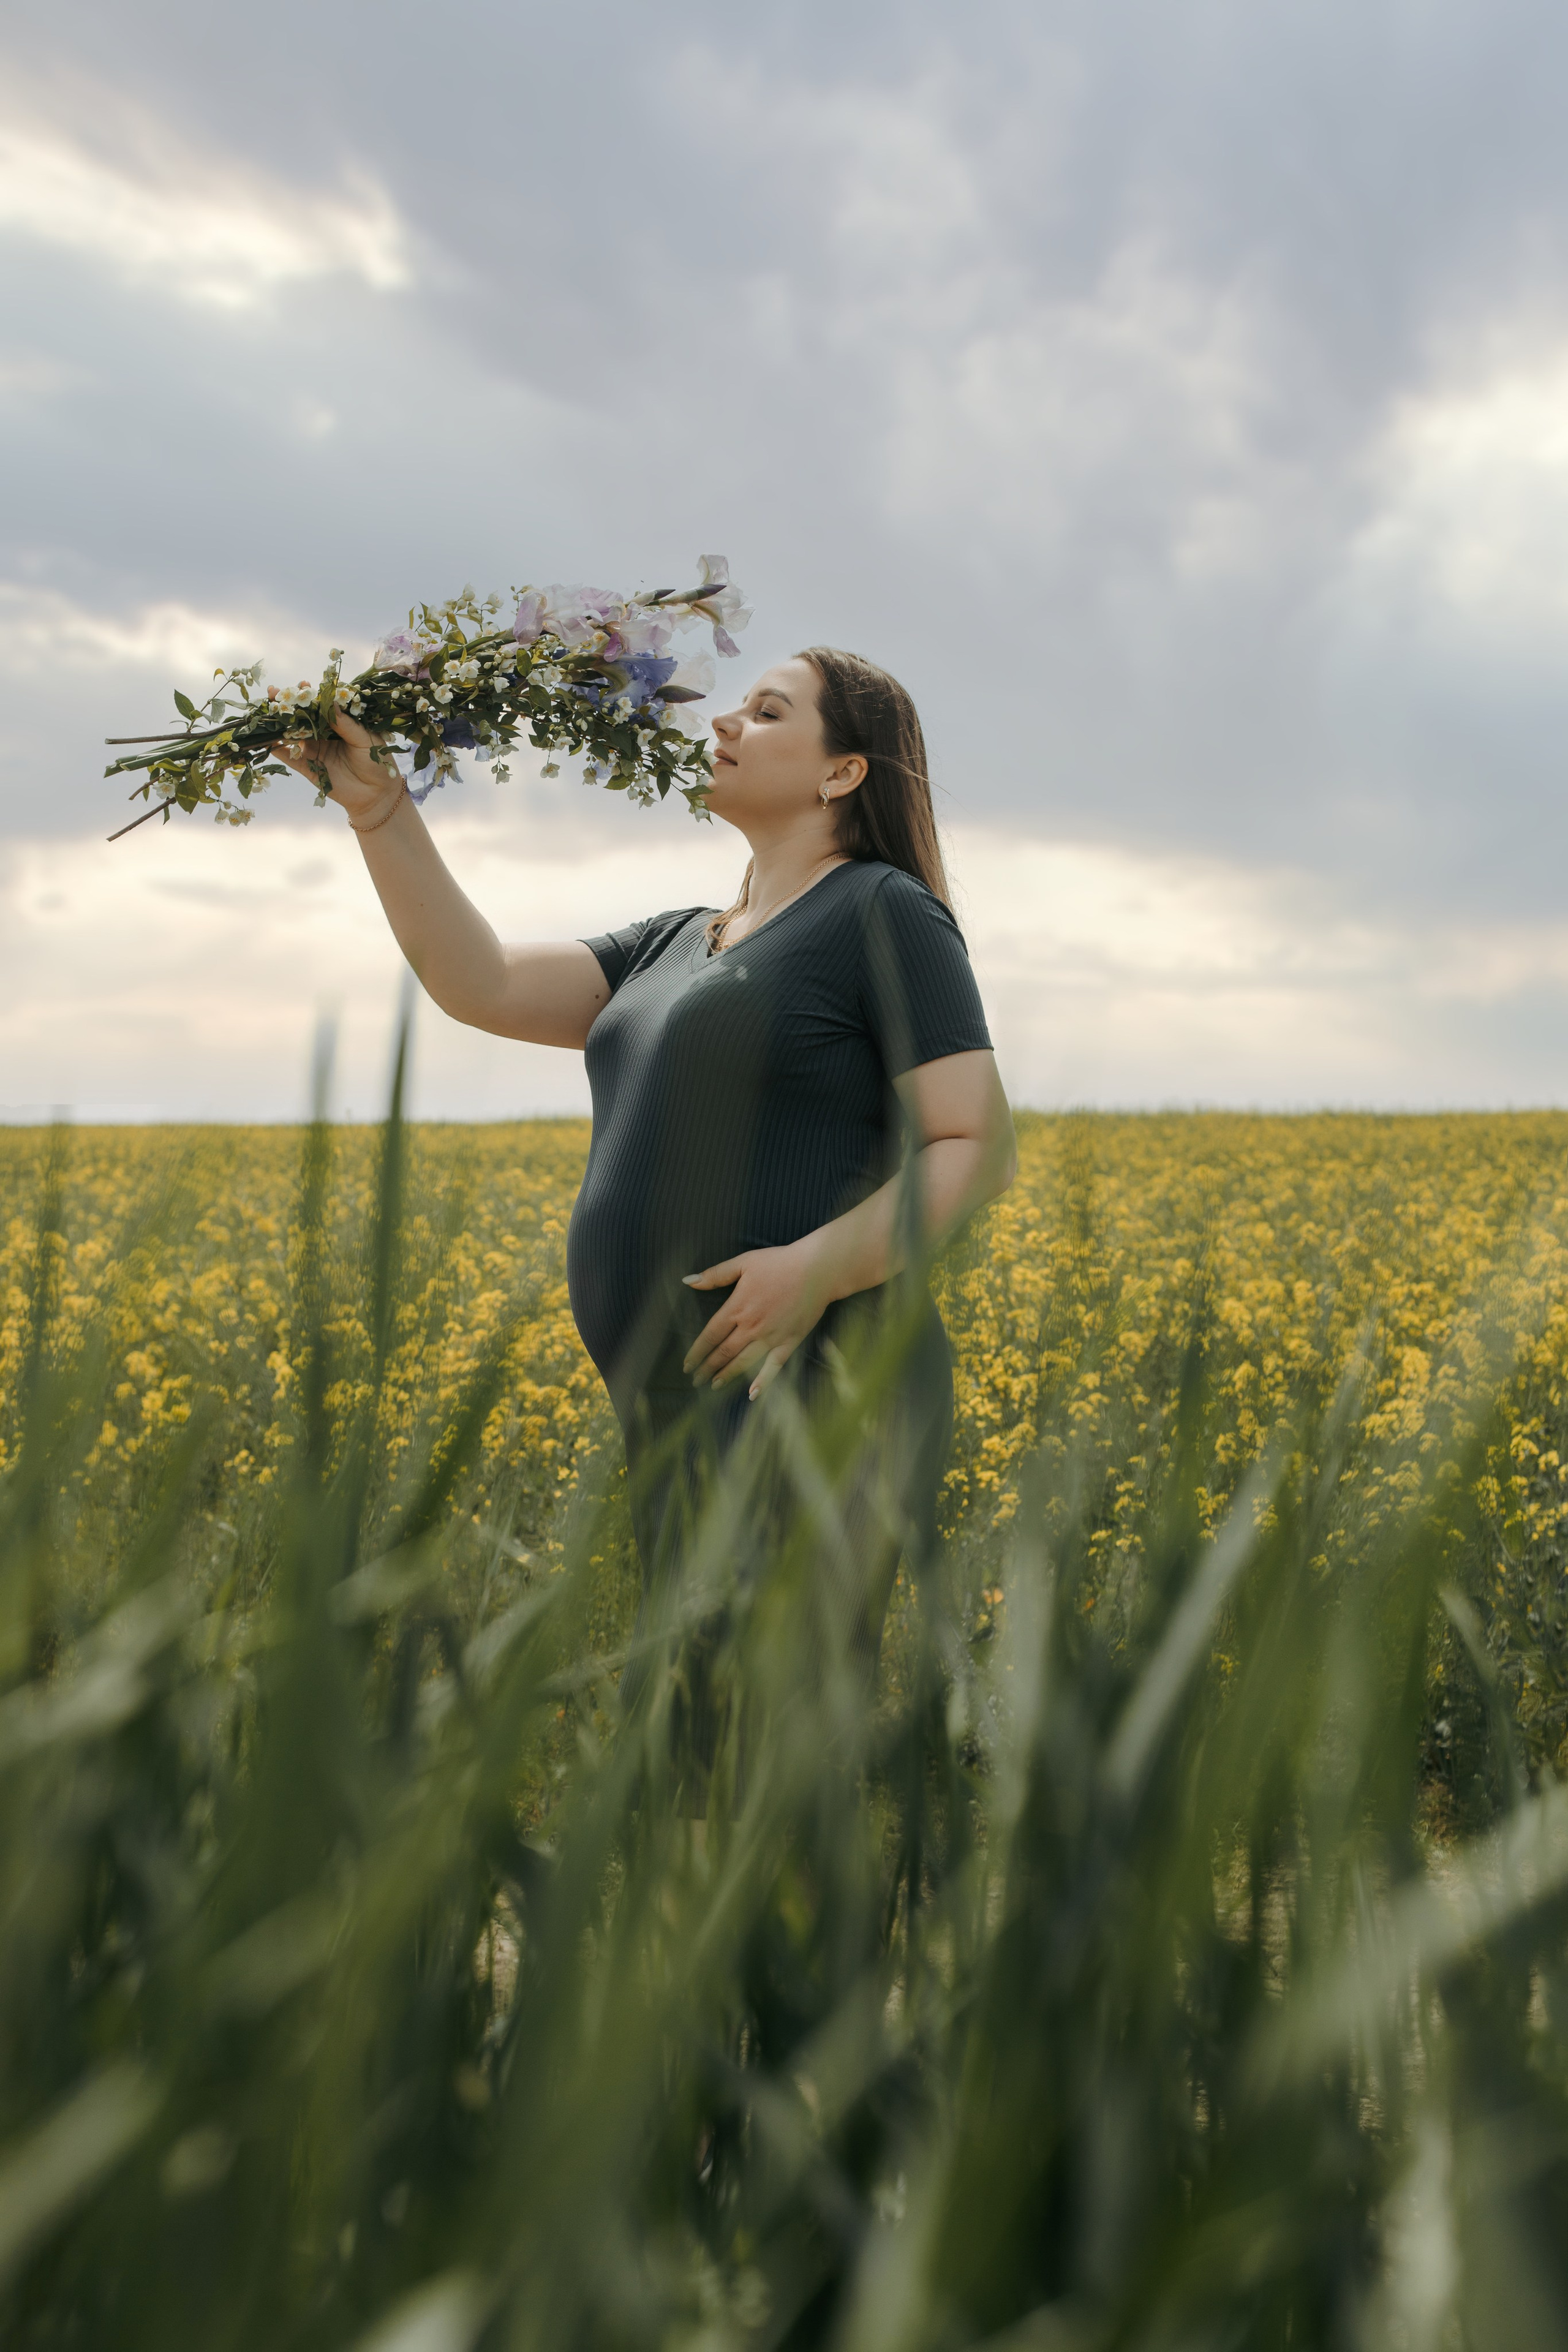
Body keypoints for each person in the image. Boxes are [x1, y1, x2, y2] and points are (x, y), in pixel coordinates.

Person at [276, 647, 1016, 1798]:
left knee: (759, 1720)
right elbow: (477, 982)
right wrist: (381, 810)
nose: (726, 716)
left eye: (771, 711)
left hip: (812, 1377)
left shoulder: (885, 912)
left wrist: (815, 1270)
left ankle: (810, 1962)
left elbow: (973, 1145)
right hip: (680, 1401)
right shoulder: (679, 940)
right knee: (705, 1721)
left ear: (841, 774)